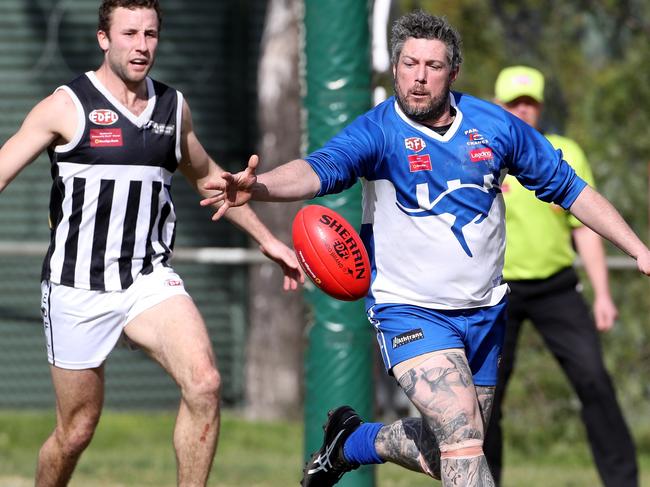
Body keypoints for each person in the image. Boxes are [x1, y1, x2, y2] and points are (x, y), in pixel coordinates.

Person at [203, 10, 650, 487]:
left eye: (433, 66)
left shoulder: (495, 127)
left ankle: (351, 442)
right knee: (464, 442)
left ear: (452, 72)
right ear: (395, 67)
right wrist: (261, 187)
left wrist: (639, 249)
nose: (418, 77)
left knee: (450, 451)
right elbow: (318, 169)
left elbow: (572, 189)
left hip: (484, 311)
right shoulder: (378, 131)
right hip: (410, 309)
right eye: (409, 63)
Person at [0, 1, 303, 485]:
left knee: (204, 384)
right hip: (77, 285)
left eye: (151, 34)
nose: (142, 46)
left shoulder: (172, 107)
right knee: (76, 430)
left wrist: (269, 239)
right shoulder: (66, 105)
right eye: (129, 34)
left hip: (147, 280)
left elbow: (210, 180)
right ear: (104, 39)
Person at [483, 65, 638, 486]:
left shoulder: (562, 151)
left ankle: (623, 480)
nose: (523, 110)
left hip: (557, 288)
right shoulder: (479, 153)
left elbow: (584, 227)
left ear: (540, 107)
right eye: (514, 103)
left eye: (530, 102)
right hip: (497, 293)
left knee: (594, 379)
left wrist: (603, 295)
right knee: (485, 399)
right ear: (498, 105)